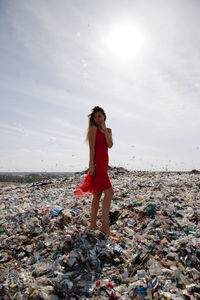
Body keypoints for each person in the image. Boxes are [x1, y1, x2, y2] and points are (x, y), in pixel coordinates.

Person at [74, 106, 114, 236]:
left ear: (104, 117)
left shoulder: (108, 130)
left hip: (104, 164)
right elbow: (92, 148)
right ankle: (105, 226)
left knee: (97, 194)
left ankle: (92, 224)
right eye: (95, 117)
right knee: (110, 192)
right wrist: (91, 165)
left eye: (99, 116)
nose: (97, 119)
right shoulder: (93, 129)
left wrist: (105, 129)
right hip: (97, 165)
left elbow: (110, 145)